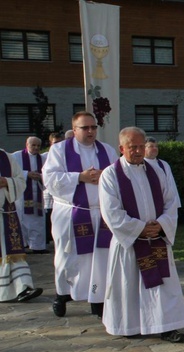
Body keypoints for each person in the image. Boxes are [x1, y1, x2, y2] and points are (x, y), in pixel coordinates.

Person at [98, 127, 184, 343]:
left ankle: (166, 326)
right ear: (122, 148)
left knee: (163, 287)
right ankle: (129, 325)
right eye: (132, 147)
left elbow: (170, 201)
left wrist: (161, 224)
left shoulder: (156, 171)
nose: (138, 151)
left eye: (141, 146)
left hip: (156, 239)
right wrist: (139, 228)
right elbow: (111, 212)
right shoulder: (110, 175)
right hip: (129, 244)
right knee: (128, 285)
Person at [44, 111, 118, 318]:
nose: (91, 131)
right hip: (71, 213)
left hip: (100, 214)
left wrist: (105, 176)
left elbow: (119, 175)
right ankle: (62, 293)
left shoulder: (107, 150)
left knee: (99, 258)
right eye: (85, 128)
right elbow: (50, 179)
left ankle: (98, 299)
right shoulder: (59, 150)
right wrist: (80, 177)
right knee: (67, 257)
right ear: (74, 130)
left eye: (93, 127)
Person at [0, 148, 43, 303]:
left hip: (6, 213)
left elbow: (20, 180)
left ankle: (23, 288)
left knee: (14, 252)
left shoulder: (5, 156)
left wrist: (6, 182)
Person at [12, 137, 48, 253]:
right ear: (27, 145)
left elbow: (47, 174)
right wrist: (27, 174)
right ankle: (22, 245)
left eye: (38, 146)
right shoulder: (16, 156)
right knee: (21, 221)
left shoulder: (42, 159)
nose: (36, 148)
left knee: (37, 222)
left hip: (37, 195)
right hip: (22, 196)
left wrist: (41, 177)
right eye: (33, 145)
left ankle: (38, 247)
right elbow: (12, 172)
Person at [144, 136, 181, 208]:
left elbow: (171, 185)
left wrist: (175, 205)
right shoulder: (140, 164)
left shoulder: (163, 164)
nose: (155, 148)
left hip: (164, 203)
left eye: (156, 146)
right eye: (151, 146)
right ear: (143, 149)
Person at [43, 132, 65, 245]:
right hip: (47, 192)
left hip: (63, 194)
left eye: (60, 142)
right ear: (50, 143)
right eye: (55, 143)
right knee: (48, 216)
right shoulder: (44, 156)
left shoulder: (65, 154)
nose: (58, 144)